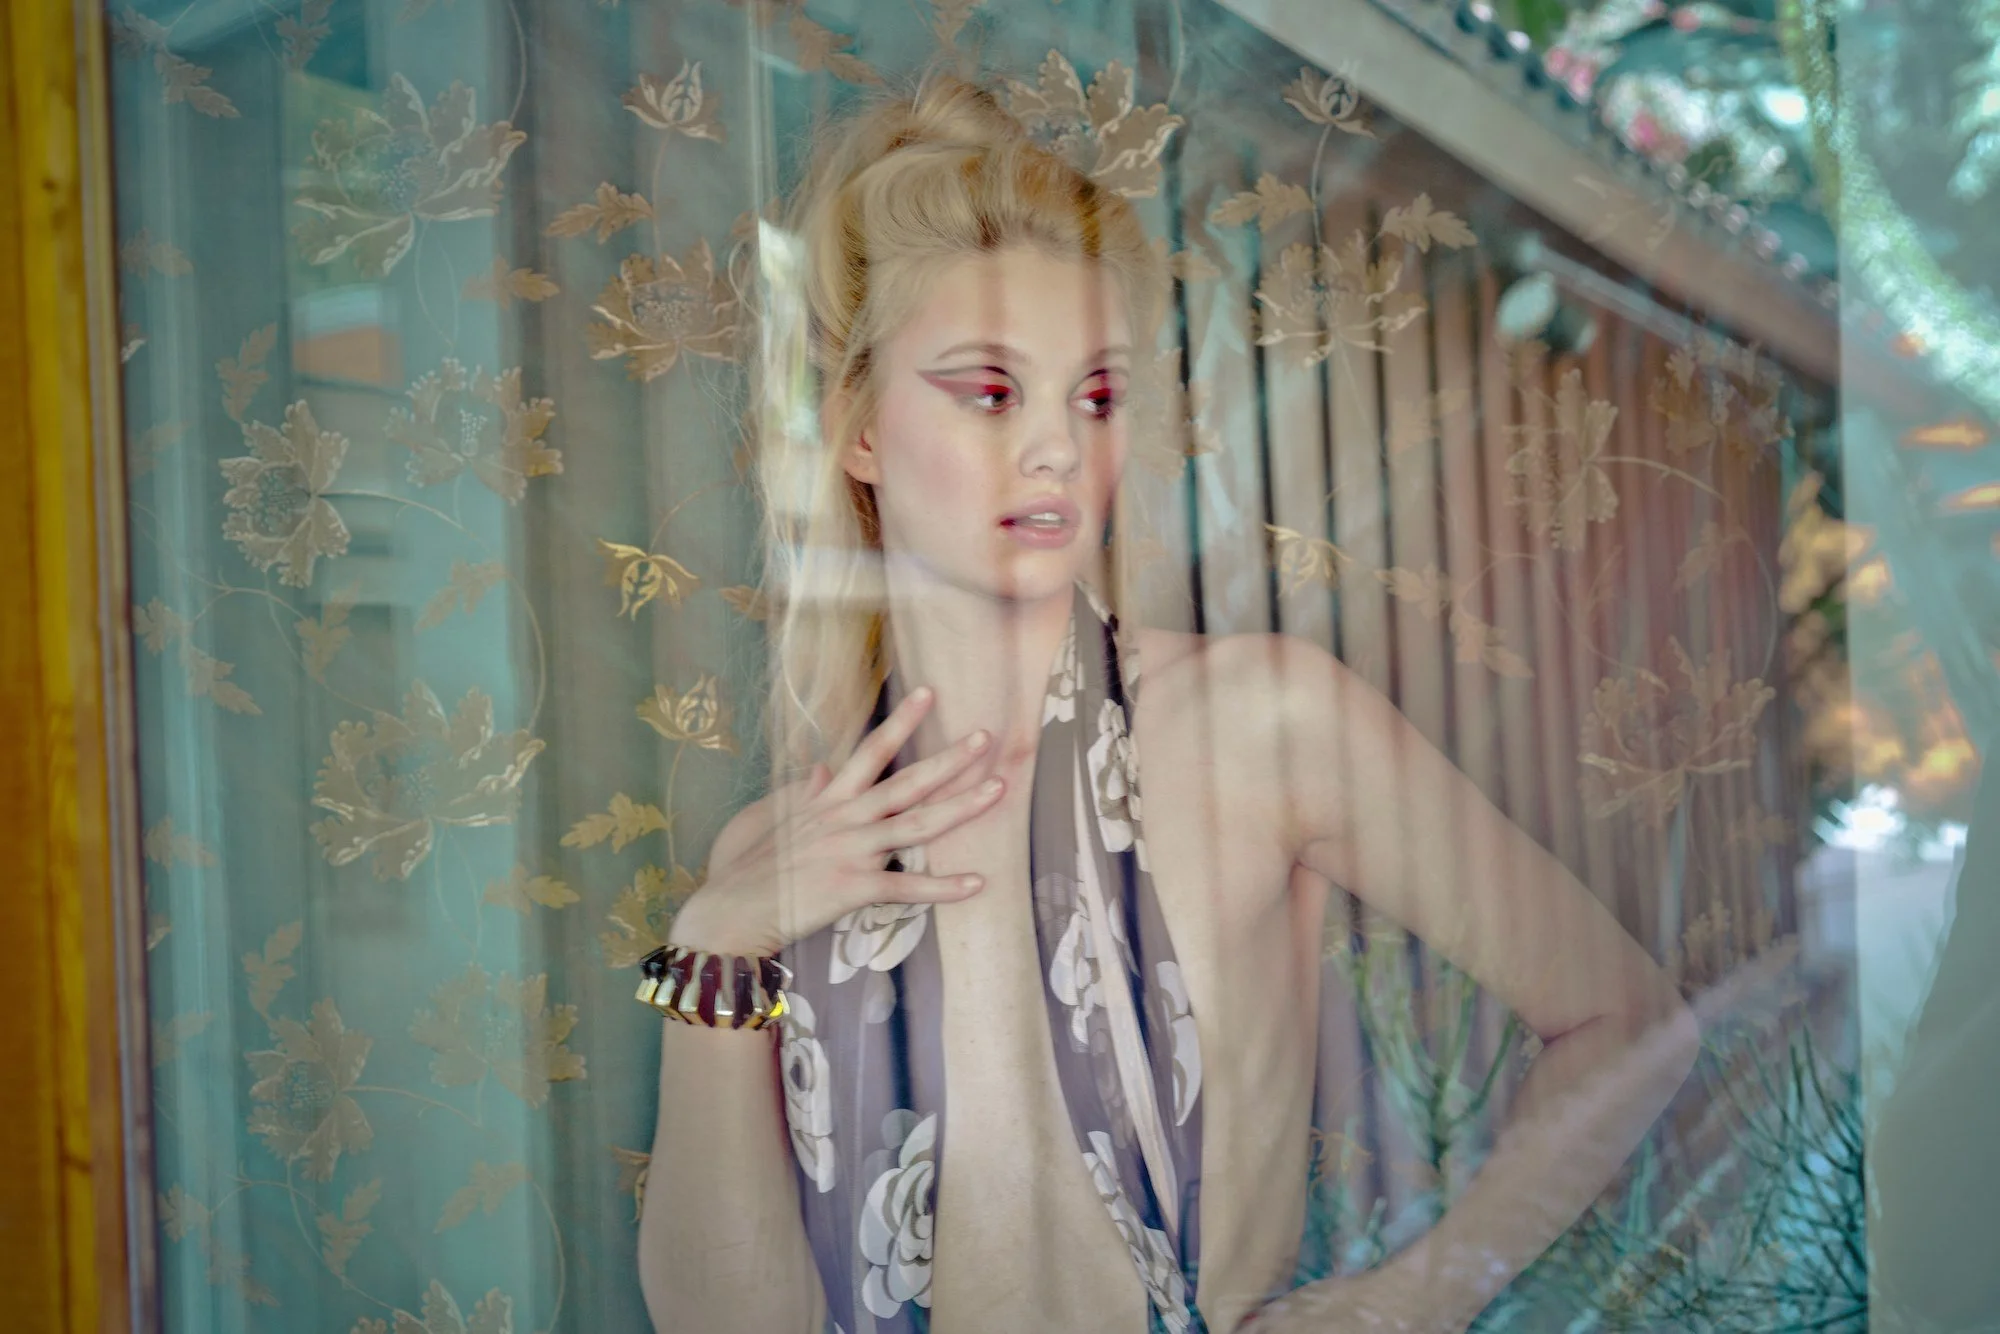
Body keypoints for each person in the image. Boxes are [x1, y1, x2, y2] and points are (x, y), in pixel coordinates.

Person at [636, 69, 1700, 1334]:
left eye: (1092, 394)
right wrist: (715, 945)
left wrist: (1406, 1300)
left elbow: (1623, 1022)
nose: (1053, 448)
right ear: (857, 427)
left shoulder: (1260, 725)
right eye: (987, 391)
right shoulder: (775, 853)